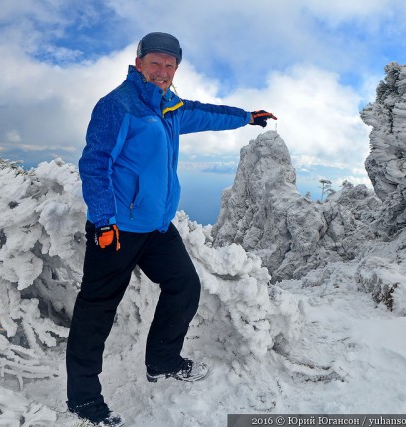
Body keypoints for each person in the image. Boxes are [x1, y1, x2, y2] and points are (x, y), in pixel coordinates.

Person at [66, 31, 277, 427]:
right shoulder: (119, 105)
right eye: (156, 63)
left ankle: (162, 361)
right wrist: (106, 221)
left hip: (156, 228)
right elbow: (95, 164)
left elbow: (206, 112)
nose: (162, 71)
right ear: (139, 61)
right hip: (117, 229)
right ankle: (83, 400)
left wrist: (247, 117)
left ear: (175, 68)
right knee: (96, 311)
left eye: (170, 65)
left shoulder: (171, 107)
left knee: (184, 286)